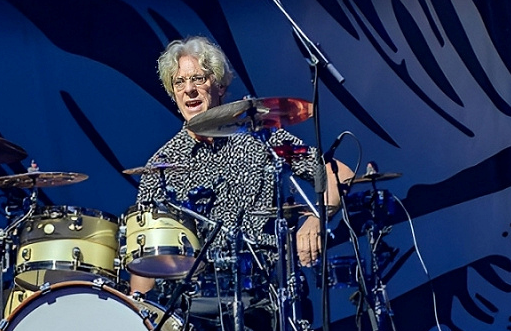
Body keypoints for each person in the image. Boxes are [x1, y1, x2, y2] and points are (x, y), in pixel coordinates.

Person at [130, 36, 353, 295]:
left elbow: (340, 174)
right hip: (198, 304)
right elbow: (144, 260)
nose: (188, 89)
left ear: (220, 85)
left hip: (268, 289)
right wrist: (143, 317)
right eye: (179, 82)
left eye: (198, 79)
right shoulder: (160, 166)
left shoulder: (260, 137)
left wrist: (316, 219)